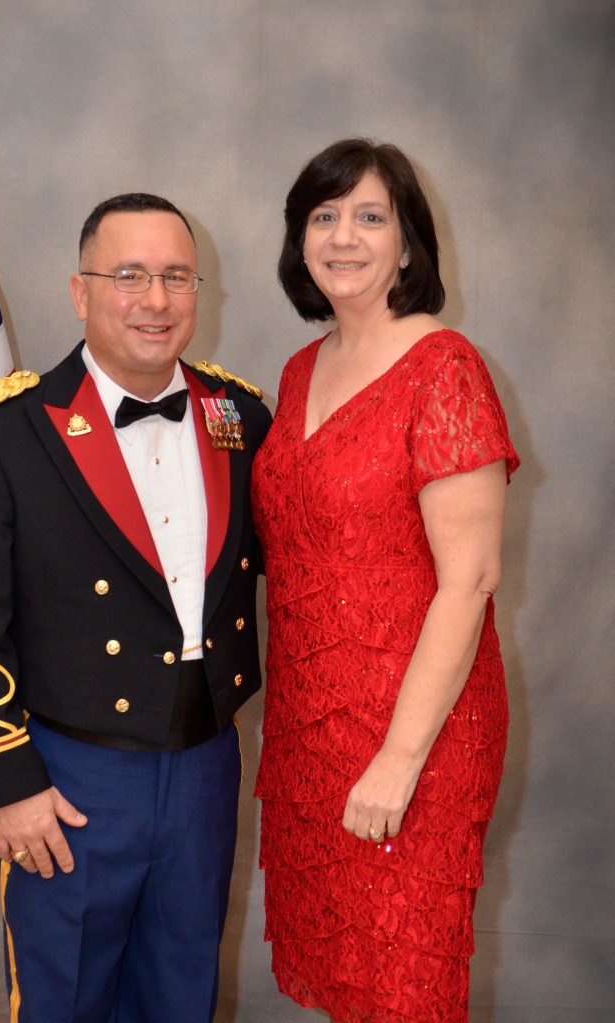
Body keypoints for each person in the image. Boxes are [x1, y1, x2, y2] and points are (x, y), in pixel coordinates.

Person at [0, 192, 271, 1023]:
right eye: (129, 276)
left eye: (176, 277)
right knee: (63, 1001)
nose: (156, 299)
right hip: (70, 778)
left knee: (182, 994)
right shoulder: (4, 432)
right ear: (81, 293)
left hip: (205, 764)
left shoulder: (239, 417)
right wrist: (7, 778)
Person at [251, 139, 519, 1022]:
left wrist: (399, 761)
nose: (343, 237)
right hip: (310, 725)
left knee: (404, 980)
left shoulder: (446, 367)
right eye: (324, 216)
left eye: (371, 217)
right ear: (300, 240)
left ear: (408, 245)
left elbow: (470, 581)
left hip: (417, 730)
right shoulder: (299, 372)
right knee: (347, 971)